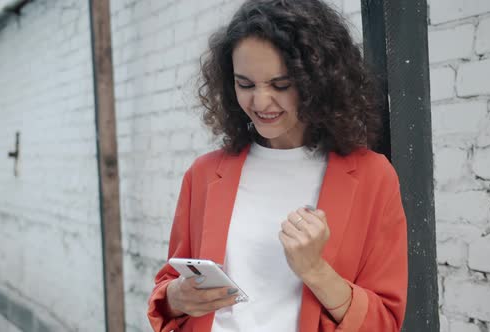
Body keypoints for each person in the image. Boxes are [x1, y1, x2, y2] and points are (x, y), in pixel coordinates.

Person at [147, 0, 407, 331]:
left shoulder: (373, 177)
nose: (260, 102)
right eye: (245, 84)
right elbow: (167, 289)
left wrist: (315, 269)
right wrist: (176, 297)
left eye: (280, 85)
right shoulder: (204, 174)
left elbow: (384, 321)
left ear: (318, 81)